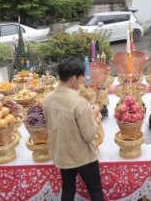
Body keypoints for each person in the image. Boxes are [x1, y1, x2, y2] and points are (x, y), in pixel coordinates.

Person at [43, 57, 104, 201]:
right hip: (83, 156)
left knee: (68, 190)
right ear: (72, 79)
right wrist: (94, 116)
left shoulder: (48, 99)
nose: (81, 81)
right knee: (95, 191)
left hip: (63, 154)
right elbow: (89, 135)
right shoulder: (79, 103)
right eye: (80, 78)